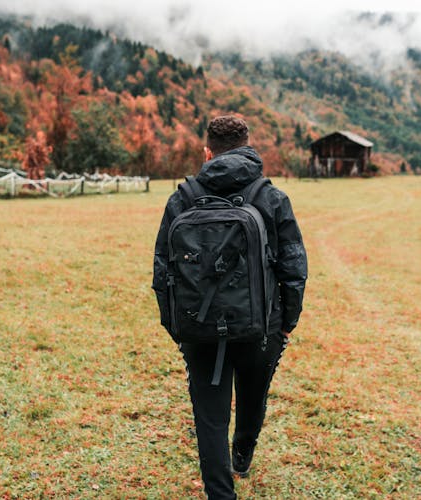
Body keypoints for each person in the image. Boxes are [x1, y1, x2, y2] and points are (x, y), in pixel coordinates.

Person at [152, 115, 307, 499]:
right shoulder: (272, 198)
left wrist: (177, 327)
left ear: (207, 152)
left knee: (209, 416)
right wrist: (287, 322)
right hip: (262, 327)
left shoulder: (181, 199)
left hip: (198, 328)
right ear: (249, 148)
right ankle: (243, 451)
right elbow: (294, 266)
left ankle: (220, 494)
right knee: (253, 399)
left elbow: (162, 269)